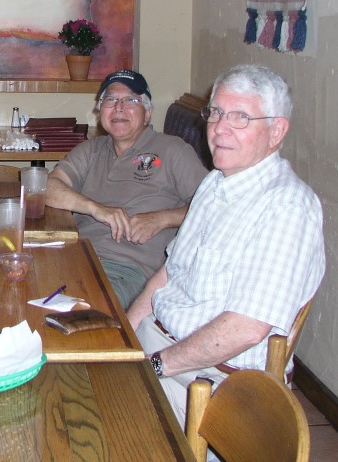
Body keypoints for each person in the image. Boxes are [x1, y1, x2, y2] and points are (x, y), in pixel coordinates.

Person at [126, 64, 325, 429]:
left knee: (86, 424)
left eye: (240, 117)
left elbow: (245, 329)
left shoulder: (287, 208)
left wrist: (151, 366)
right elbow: (169, 273)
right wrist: (124, 334)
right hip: (160, 346)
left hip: (214, 382)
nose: (219, 129)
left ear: (276, 131)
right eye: (215, 112)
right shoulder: (216, 182)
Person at [46, 69, 208, 308]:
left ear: (147, 114)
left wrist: (163, 219)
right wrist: (95, 208)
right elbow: (47, 187)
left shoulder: (173, 150)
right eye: (110, 100)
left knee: (81, 312)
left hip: (127, 271)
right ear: (100, 110)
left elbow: (214, 206)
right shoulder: (92, 149)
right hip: (75, 257)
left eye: (130, 100)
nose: (118, 108)